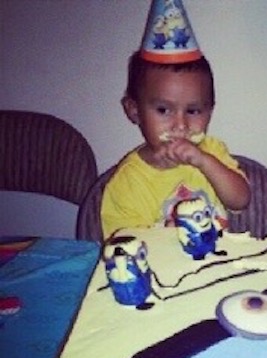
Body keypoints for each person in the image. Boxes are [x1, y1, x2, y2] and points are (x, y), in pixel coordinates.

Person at [101, 50, 250, 239]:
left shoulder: (212, 151)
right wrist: (169, 237)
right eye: (164, 110)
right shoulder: (128, 183)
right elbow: (126, 246)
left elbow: (240, 201)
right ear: (134, 110)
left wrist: (204, 161)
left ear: (210, 112)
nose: (181, 126)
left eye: (193, 111)